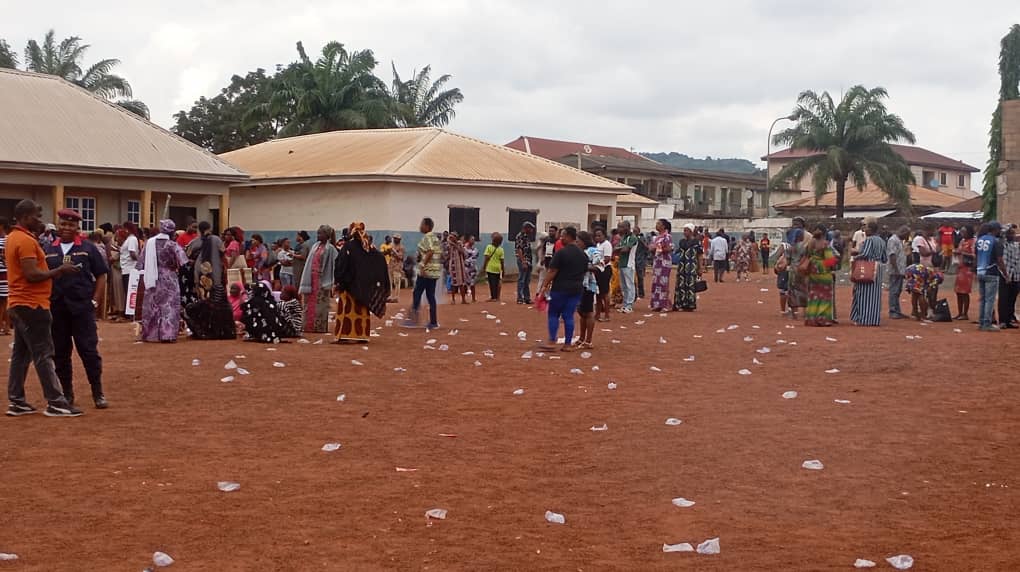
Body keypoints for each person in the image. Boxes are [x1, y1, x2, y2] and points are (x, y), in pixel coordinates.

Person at [5, 200, 82, 417]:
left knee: (21, 354)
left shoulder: (13, 237)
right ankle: (56, 402)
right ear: (25, 217)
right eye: (36, 215)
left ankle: (17, 400)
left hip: (19, 303)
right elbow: (32, 274)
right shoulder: (26, 241)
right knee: (43, 353)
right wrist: (60, 270)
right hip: (32, 304)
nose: (40, 220)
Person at [44, 208, 109, 408]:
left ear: (77, 227)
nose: (66, 228)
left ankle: (97, 392)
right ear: (58, 225)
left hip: (82, 308)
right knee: (61, 353)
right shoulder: (48, 249)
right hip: (57, 308)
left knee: (88, 351)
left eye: (71, 225)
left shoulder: (88, 248)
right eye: (63, 224)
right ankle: (67, 393)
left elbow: (101, 275)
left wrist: (95, 301)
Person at [334, 221, 390, 343]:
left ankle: (346, 335)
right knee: (362, 311)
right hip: (365, 288)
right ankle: (362, 335)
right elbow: (379, 259)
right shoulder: (369, 248)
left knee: (348, 310)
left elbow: (341, 265)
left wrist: (339, 281)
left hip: (350, 287)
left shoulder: (348, 246)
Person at [136, 219, 188, 342]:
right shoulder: (172, 245)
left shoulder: (149, 243)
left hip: (152, 277)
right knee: (169, 306)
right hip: (169, 277)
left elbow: (140, 263)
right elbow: (183, 261)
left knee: (153, 305)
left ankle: (150, 334)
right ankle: (167, 334)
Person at [537, 226, 587, 352]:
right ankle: (568, 344)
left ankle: (552, 341)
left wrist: (544, 287)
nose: (561, 238)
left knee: (553, 313)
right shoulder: (583, 255)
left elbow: (552, 271)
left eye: (563, 235)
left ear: (569, 236)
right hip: (576, 290)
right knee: (568, 316)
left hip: (560, 289)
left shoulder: (561, 253)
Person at [299, 225, 339, 333]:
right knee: (308, 304)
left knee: (321, 305)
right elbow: (309, 263)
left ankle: (319, 327)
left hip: (322, 281)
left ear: (327, 235)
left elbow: (335, 265)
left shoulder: (330, 249)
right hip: (311, 279)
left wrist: (333, 281)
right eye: (318, 233)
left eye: (320, 233)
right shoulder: (315, 246)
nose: (318, 235)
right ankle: (308, 326)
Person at [404, 217, 442, 329]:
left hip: (427, 272)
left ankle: (413, 320)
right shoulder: (435, 238)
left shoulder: (428, 237)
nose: (420, 226)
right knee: (430, 296)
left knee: (417, 293)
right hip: (434, 272)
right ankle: (433, 322)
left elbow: (430, 251)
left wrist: (422, 265)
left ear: (427, 226)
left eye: (422, 224)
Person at [849, 221, 887, 326]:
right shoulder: (882, 241)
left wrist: (855, 257)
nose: (864, 230)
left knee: (863, 293)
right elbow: (885, 258)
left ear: (871, 230)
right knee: (875, 295)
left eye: (866, 228)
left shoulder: (869, 240)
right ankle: (873, 319)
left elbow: (865, 254)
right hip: (878, 268)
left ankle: (863, 319)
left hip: (867, 267)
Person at [803, 225, 839, 327]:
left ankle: (811, 319)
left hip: (812, 272)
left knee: (814, 296)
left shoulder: (810, 244)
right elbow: (830, 261)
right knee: (825, 297)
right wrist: (835, 260)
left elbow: (806, 255)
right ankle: (822, 319)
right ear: (824, 233)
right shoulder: (825, 244)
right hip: (823, 273)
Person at [975, 223, 1004, 331]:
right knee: (989, 300)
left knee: (983, 299)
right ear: (995, 230)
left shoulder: (979, 240)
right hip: (991, 272)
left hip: (980, 271)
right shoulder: (996, 242)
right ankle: (987, 323)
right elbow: (1000, 260)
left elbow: (976, 256)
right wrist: (1005, 274)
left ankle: (981, 322)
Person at [187, 221, 224, 302]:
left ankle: (203, 309)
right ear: (210, 229)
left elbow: (188, 254)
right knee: (215, 294)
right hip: (215, 270)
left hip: (200, 270)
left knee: (202, 293)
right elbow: (223, 252)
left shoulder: (195, 242)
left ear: (199, 230)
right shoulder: (217, 240)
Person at [575, 230, 600, 349]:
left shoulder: (593, 251)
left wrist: (584, 266)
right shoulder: (580, 251)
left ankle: (588, 340)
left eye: (578, 240)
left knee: (588, 312)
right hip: (580, 284)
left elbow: (599, 266)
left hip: (589, 285)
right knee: (581, 312)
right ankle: (581, 338)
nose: (576, 242)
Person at [673, 223, 703, 312]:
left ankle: (690, 304)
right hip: (682, 266)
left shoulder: (696, 242)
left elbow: (700, 255)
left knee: (690, 285)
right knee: (680, 285)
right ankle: (679, 303)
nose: (684, 232)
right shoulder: (682, 242)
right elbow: (677, 252)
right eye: (684, 230)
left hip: (691, 266)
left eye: (686, 230)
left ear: (691, 231)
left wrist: (700, 268)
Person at [785, 218, 808, 319]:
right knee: (804, 290)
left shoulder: (790, 248)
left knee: (792, 291)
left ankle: (794, 313)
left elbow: (787, 260)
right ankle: (804, 312)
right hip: (802, 270)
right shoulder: (805, 247)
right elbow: (807, 258)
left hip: (792, 271)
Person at [649, 220, 674, 312]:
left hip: (664, 262)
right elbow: (652, 248)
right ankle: (657, 304)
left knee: (663, 283)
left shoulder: (667, 236)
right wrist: (652, 249)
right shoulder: (656, 237)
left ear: (663, 226)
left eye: (658, 224)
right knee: (656, 283)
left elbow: (669, 248)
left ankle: (666, 304)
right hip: (657, 262)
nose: (656, 225)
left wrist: (659, 248)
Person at [886, 226, 909, 320]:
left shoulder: (899, 240)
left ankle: (897, 310)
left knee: (897, 291)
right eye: (906, 235)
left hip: (900, 270)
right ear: (902, 232)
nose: (907, 237)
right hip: (895, 270)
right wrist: (896, 269)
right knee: (894, 291)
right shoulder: (893, 240)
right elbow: (892, 255)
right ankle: (893, 311)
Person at [953, 225, 976, 321]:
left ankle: (965, 313)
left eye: (964, 231)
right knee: (958, 292)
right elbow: (958, 250)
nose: (962, 233)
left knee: (965, 292)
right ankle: (959, 313)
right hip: (960, 268)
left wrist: (962, 253)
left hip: (968, 270)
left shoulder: (973, 242)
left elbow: (974, 255)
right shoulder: (962, 241)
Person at [614, 220, 638, 313]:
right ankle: (625, 304)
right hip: (621, 264)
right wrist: (620, 249)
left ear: (627, 227)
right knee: (623, 286)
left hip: (629, 264)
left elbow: (626, 249)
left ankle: (629, 305)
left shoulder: (632, 238)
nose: (618, 229)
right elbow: (617, 249)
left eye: (620, 227)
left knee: (629, 285)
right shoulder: (623, 238)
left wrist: (619, 249)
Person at [999, 227, 1020, 329]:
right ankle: (1002, 321)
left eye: (1013, 233)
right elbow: (1002, 231)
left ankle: (1009, 320)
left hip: (1016, 276)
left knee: (1012, 299)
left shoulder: (1016, 245)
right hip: (1005, 275)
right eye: (1010, 234)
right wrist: (1009, 226)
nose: (1013, 235)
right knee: (1004, 299)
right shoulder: (1003, 244)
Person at [593, 227, 613, 322]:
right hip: (598, 270)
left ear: (604, 235)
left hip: (605, 269)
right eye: (596, 236)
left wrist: (598, 265)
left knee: (605, 293)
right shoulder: (597, 245)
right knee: (598, 293)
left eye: (599, 235)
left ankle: (607, 315)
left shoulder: (607, 244)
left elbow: (607, 258)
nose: (597, 237)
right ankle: (597, 314)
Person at [119, 221, 140, 308]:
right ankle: (128, 312)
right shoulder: (129, 239)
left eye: (123, 228)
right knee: (127, 291)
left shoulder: (132, 239)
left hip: (130, 269)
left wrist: (139, 262)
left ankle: (130, 314)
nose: (122, 230)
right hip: (126, 268)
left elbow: (132, 253)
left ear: (127, 229)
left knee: (129, 291)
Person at [515, 221, 535, 304]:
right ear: (526, 228)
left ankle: (527, 298)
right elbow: (519, 249)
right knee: (522, 279)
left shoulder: (527, 237)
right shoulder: (520, 236)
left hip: (528, 260)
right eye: (530, 228)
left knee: (527, 280)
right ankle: (520, 298)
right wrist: (523, 261)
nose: (532, 230)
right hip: (523, 260)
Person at [446, 231, 469, 304]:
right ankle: (453, 299)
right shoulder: (449, 245)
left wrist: (455, 244)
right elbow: (448, 255)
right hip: (453, 265)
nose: (452, 238)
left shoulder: (459, 244)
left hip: (460, 265)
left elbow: (463, 252)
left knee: (461, 283)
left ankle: (463, 299)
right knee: (453, 283)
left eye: (453, 237)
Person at [483, 232, 505, 301]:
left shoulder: (489, 247)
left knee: (492, 283)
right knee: (497, 282)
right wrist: (503, 269)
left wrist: (484, 266)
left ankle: (493, 297)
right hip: (497, 268)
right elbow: (502, 261)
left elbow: (486, 258)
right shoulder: (501, 249)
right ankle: (497, 297)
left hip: (490, 268)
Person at [387, 234, 406, 302]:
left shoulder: (401, 247)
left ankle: (396, 297)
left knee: (397, 281)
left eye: (397, 238)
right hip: (391, 265)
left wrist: (394, 251)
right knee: (390, 282)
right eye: (394, 238)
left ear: (399, 240)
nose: (395, 239)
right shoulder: (391, 246)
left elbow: (400, 257)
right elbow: (389, 254)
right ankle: (390, 296)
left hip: (397, 267)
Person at [634, 227, 650, 299]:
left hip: (640, 261)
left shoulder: (642, 239)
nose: (634, 233)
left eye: (636, 231)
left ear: (639, 231)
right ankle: (634, 293)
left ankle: (641, 293)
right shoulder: (632, 239)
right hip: (633, 261)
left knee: (640, 277)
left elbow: (647, 248)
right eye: (633, 231)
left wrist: (642, 242)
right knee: (633, 278)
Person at [463, 235, 479, 303]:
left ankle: (473, 298)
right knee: (464, 284)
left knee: (472, 284)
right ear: (468, 240)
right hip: (466, 268)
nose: (473, 241)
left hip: (473, 268)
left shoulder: (475, 249)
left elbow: (476, 256)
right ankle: (463, 299)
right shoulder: (464, 249)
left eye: (474, 239)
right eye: (472, 239)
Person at [0, 217, 8, 335]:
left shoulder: (6, 240)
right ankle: (4, 326)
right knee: (4, 301)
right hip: (4, 272)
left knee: (3, 300)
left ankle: (3, 326)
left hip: (3, 273)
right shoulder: (7, 239)